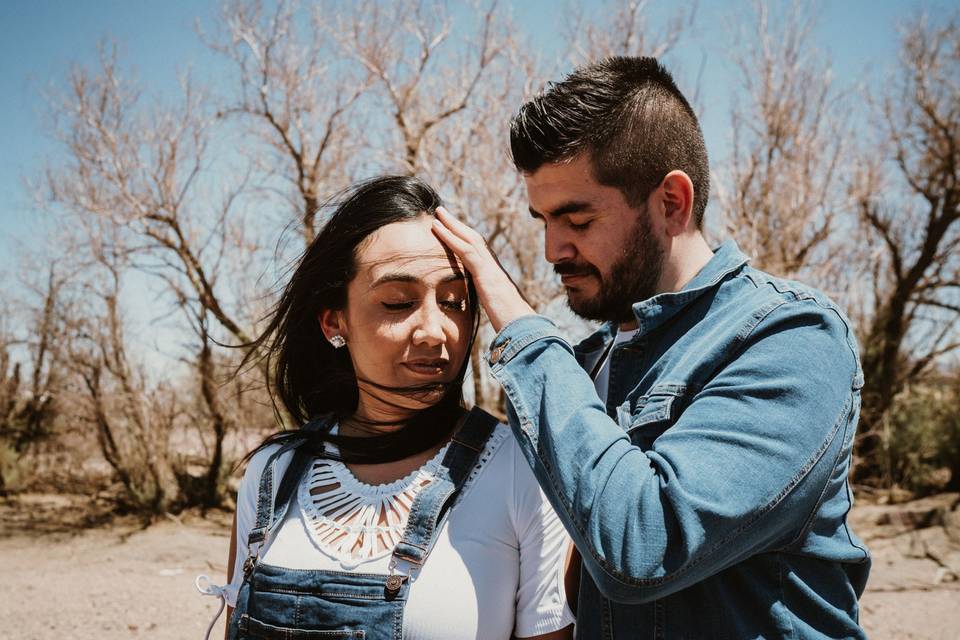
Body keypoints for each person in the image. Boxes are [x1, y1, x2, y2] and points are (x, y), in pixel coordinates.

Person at [432, 56, 871, 638]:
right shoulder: (583, 368)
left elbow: (644, 544)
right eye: (542, 220)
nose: (551, 250)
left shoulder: (792, 337)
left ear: (671, 202)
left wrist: (521, 329)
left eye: (577, 220)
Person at [207, 176, 574, 640]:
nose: (435, 331)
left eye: (455, 302)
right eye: (398, 302)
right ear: (333, 320)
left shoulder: (521, 472)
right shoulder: (272, 474)